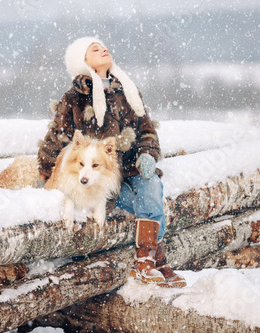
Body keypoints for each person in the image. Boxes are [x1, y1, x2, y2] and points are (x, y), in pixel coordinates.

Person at [37, 36, 186, 288]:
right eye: (95, 49)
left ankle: (146, 261)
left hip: (133, 168)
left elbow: (146, 131)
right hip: (102, 176)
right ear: (82, 62)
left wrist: (147, 154)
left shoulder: (128, 91)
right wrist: (46, 170)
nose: (103, 48)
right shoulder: (74, 97)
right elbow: (58, 135)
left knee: (152, 188)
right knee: (144, 204)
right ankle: (157, 261)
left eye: (104, 46)